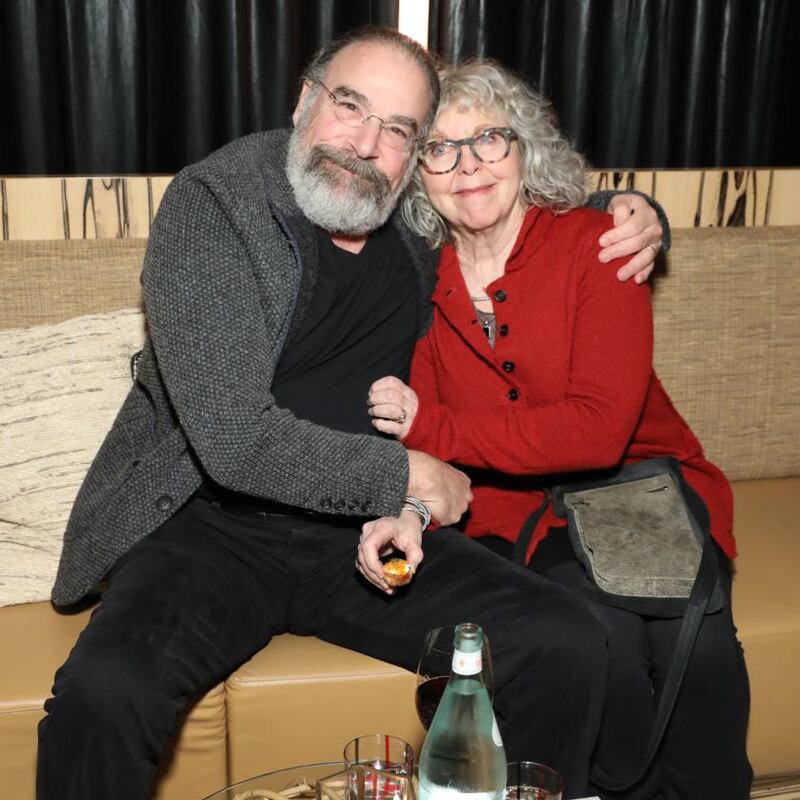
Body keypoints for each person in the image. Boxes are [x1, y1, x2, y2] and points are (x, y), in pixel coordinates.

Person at [38, 28, 662, 800]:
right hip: (211, 530)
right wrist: (406, 473)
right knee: (105, 692)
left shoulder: (406, 221)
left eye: (399, 131)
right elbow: (233, 442)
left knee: (564, 641)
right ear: (306, 101)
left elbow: (501, 197)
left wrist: (628, 209)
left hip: (361, 537)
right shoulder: (214, 206)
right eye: (349, 105)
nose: (364, 144)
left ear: (413, 155)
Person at [362, 61, 752, 799]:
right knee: (596, 642)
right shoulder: (413, 279)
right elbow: (418, 447)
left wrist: (436, 426)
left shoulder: (597, 244)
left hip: (640, 487)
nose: (468, 165)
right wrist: (418, 476)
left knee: (690, 645)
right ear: (418, 174)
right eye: (441, 149)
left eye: (489, 139)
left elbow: (599, 433)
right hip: (512, 515)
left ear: (526, 149)